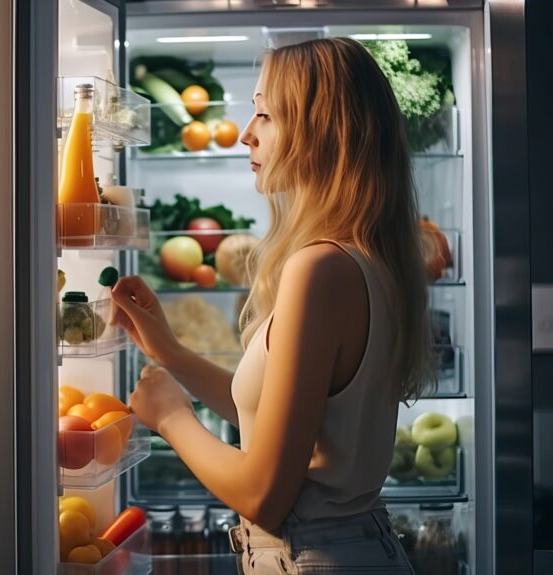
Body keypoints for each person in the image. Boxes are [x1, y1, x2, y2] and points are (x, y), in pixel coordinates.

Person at [111, 38, 432, 574]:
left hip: (314, 557)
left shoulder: (320, 270)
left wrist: (171, 418)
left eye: (264, 113)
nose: (245, 134)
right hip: (351, 548)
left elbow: (264, 493)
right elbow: (274, 423)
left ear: (324, 131)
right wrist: (170, 353)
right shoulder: (366, 257)